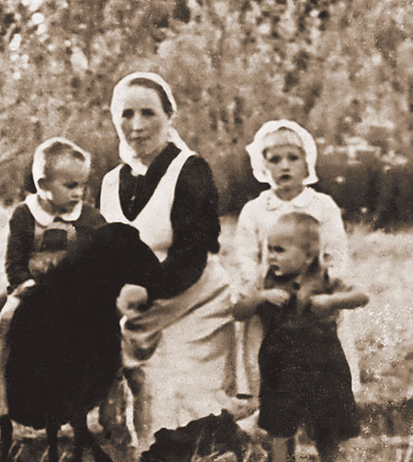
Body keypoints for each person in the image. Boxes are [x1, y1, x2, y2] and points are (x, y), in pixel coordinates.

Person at [98, 72, 237, 452]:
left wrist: (145, 288)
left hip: (195, 306)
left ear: (169, 117)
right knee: (142, 417)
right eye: (126, 114)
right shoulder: (111, 182)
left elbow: (194, 253)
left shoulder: (190, 171)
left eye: (148, 113)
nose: (137, 125)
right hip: (139, 316)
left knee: (184, 409)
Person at [234, 120, 360, 404]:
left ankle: (324, 422)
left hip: (314, 304)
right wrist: (260, 288)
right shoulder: (255, 210)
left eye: (293, 158)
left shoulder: (322, 206)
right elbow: (245, 256)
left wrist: (322, 289)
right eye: (274, 159)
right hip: (272, 306)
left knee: (323, 376)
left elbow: (336, 252)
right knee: (272, 377)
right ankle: (276, 430)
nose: (284, 166)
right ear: (263, 165)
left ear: (307, 162)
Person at [233, 212, 367, 462]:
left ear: (308, 256)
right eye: (269, 249)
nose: (271, 256)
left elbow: (361, 296)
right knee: (279, 428)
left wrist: (331, 300)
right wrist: (261, 298)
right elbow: (238, 311)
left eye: (279, 250)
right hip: (280, 369)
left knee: (329, 429)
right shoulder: (264, 282)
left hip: (325, 367)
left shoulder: (326, 280)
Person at [0, 137, 107, 419]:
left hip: (76, 292)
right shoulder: (25, 215)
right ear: (43, 185)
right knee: (5, 321)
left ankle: (108, 399)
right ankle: (1, 393)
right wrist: (25, 286)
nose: (78, 193)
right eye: (70, 186)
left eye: (82, 185)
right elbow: (14, 261)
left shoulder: (89, 218)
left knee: (109, 328)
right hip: (32, 289)